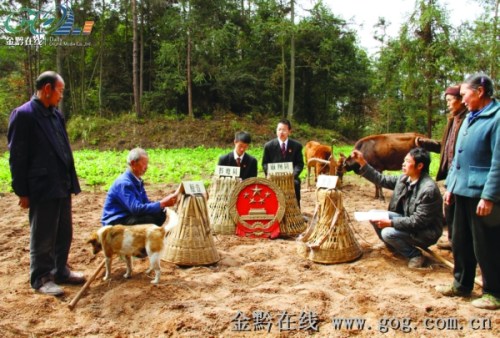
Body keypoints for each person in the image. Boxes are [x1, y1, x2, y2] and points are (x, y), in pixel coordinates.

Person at [8, 71, 85, 297]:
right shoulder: (23, 115)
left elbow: (62, 146)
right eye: (60, 91)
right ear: (47, 89)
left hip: (61, 182)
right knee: (43, 235)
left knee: (63, 231)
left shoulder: (55, 114)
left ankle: (60, 270)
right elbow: (17, 157)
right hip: (41, 186)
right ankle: (41, 278)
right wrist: (22, 191)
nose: (61, 96)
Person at [436, 74, 500, 310]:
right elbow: (458, 157)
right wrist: (450, 187)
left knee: (486, 244)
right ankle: (461, 284)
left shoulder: (496, 118)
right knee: (460, 241)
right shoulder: (470, 117)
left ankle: (494, 292)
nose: (462, 100)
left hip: (481, 194)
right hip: (461, 191)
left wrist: (489, 196)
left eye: (464, 95)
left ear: (480, 91)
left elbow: (498, 162)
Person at [351, 147, 443, 268]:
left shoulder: (428, 190)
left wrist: (391, 223)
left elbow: (419, 221)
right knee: (374, 214)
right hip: (408, 220)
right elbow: (381, 179)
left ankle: (414, 255)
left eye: (408, 162)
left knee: (387, 232)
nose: (403, 164)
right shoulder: (404, 178)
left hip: (425, 232)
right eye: (404, 160)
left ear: (420, 166)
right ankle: (395, 245)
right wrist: (362, 162)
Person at [416, 85, 468, 250]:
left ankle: (462, 243)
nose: (448, 104)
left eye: (449, 100)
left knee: (461, 210)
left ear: (460, 100)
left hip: (463, 174)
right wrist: (424, 143)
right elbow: (444, 146)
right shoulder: (452, 120)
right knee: (450, 207)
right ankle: (453, 241)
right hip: (451, 173)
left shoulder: (468, 120)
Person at [101, 147, 178, 226]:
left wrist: (161, 205)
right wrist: (162, 203)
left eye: (147, 164)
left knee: (160, 214)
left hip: (127, 215)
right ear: (133, 163)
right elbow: (136, 209)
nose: (146, 167)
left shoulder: (137, 180)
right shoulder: (124, 183)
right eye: (144, 164)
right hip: (115, 221)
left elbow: (145, 202)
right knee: (151, 219)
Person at [262, 119, 304, 206]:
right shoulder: (269, 146)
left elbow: (299, 164)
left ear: (289, 131)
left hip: (290, 177)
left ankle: (296, 211)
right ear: (276, 131)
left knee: (295, 183)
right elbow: (265, 163)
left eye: (284, 130)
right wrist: (270, 174)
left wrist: (293, 175)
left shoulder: (297, 146)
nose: (281, 132)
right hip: (274, 177)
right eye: (279, 129)